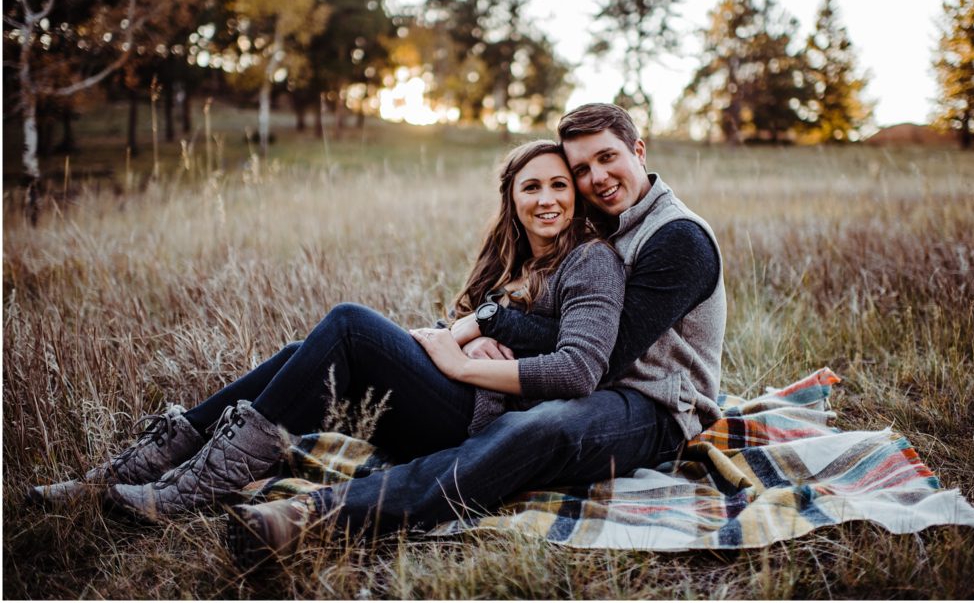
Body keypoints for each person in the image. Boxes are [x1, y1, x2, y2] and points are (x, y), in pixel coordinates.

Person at [225, 103, 726, 568]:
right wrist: (472, 333)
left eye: (607, 157)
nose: (596, 178)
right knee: (316, 355)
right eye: (582, 169)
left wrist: (487, 329)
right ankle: (183, 450)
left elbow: (601, 359)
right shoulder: (598, 217)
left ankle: (313, 517)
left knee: (538, 427)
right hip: (583, 381)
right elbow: (556, 320)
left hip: (655, 408)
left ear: (639, 152)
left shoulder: (676, 237)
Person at [29, 140, 626, 522]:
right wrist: (466, 334)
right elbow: (478, 325)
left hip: (482, 424)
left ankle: (200, 486)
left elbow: (578, 370)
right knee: (299, 354)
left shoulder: (589, 261)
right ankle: (128, 470)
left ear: (575, 194)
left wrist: (463, 359)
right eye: (532, 187)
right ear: (512, 199)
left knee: (349, 325)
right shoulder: (515, 260)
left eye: (558, 186)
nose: (547, 199)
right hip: (459, 402)